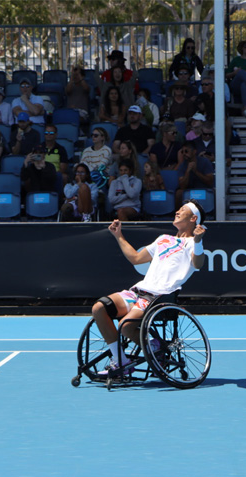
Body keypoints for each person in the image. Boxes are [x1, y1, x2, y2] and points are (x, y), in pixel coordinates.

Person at [90, 200, 207, 376]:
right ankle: (121, 360)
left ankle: (155, 345)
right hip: (138, 291)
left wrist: (198, 241)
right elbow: (136, 258)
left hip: (159, 296)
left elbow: (198, 264)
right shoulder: (163, 239)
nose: (176, 211)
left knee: (126, 325)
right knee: (99, 308)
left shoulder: (192, 243)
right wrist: (118, 235)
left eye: (182, 210)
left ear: (193, 218)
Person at [176, 141, 214, 207]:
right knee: (179, 193)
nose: (184, 154)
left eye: (186, 151)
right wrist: (187, 171)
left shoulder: (205, 162)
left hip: (204, 189)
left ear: (194, 151)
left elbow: (210, 182)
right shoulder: (182, 166)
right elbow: (182, 186)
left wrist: (195, 171)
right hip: (189, 190)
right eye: (182, 152)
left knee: (215, 192)